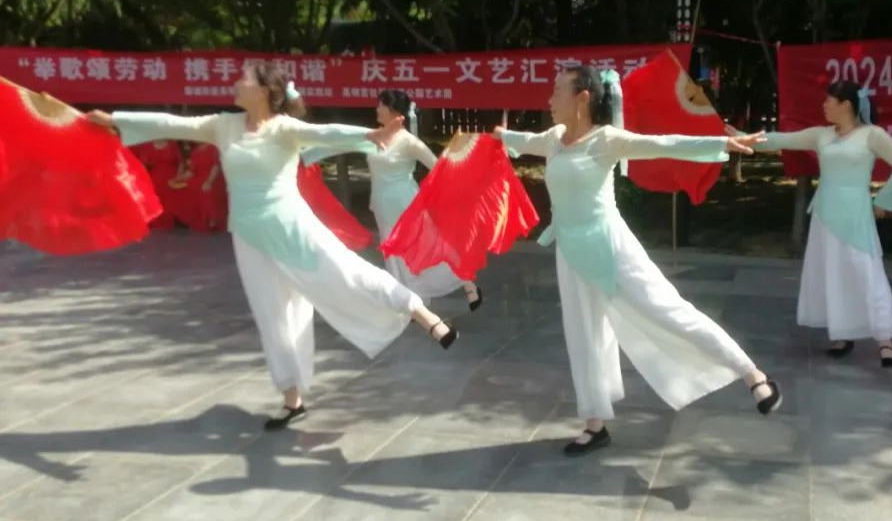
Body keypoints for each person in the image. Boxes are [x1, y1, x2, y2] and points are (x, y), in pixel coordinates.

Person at [86, 61, 458, 430]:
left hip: (292, 227)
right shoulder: (224, 125)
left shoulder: (284, 128)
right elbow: (171, 124)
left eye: (245, 78)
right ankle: (292, 399)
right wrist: (115, 120)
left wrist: (371, 135)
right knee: (273, 315)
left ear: (265, 91)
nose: (236, 82)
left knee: (349, 273)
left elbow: (326, 133)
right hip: (249, 236)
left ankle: (424, 315)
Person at [494, 65, 781, 456]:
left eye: (558, 90)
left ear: (582, 98)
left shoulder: (606, 139)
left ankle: (752, 374)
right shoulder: (555, 138)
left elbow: (664, 144)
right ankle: (594, 425)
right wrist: (497, 137)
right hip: (571, 251)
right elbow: (523, 140)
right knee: (583, 336)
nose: (550, 98)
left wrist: (721, 144)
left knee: (668, 310)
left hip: (612, 248)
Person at [757, 80, 892, 367]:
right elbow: (781, 139)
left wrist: (884, 201)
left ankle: (885, 341)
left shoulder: (872, 135)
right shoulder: (822, 135)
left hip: (855, 214)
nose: (824, 105)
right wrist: (742, 139)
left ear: (847, 104)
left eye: (829, 100)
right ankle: (842, 333)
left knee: (867, 272)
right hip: (825, 213)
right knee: (833, 273)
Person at [305, 90, 482, 308]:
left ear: (394, 111)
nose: (377, 109)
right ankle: (409, 301)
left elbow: (438, 168)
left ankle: (465, 284)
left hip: (406, 204)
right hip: (382, 204)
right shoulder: (375, 137)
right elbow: (340, 144)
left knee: (428, 249)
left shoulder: (409, 142)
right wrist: (305, 157)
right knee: (395, 256)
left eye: (382, 105)